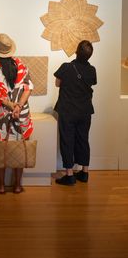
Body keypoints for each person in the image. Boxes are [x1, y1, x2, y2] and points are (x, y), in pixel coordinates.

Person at [0, 33, 34, 194]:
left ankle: (1, 186)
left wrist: (12, 106)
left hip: (1, 116)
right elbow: (28, 88)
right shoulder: (21, 64)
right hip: (21, 114)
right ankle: (18, 185)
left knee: (1, 150)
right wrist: (18, 106)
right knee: (19, 147)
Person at [54, 40, 97, 186]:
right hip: (85, 111)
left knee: (67, 140)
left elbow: (57, 83)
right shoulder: (92, 70)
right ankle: (84, 172)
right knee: (83, 139)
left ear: (76, 51)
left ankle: (70, 175)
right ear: (90, 55)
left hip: (68, 110)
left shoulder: (66, 67)